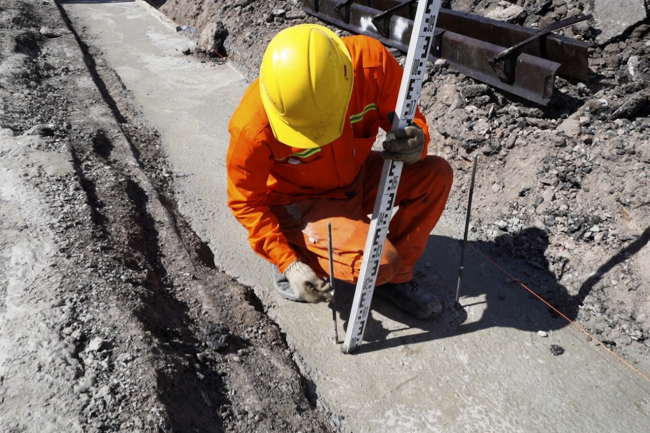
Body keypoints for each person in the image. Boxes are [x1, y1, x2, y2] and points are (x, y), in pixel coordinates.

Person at [227, 24, 453, 319]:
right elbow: (246, 201)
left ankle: (393, 282)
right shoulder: (252, 125)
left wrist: (416, 139)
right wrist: (288, 262)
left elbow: (409, 118)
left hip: (356, 177)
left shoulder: (372, 66)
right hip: (302, 201)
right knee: (378, 263)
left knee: (435, 175)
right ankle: (299, 251)